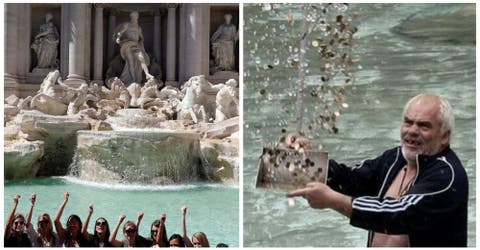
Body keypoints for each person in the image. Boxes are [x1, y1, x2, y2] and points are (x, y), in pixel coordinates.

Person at [287, 93, 468, 247]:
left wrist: (333, 200)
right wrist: (304, 158)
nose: (412, 130)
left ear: (445, 136)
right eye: (408, 122)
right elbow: (350, 180)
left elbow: (397, 215)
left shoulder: (448, 176)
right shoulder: (393, 159)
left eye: (423, 126)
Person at [113, 11, 153, 85]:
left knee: (141, 57)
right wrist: (118, 38)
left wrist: (141, 42)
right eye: (134, 16)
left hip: (135, 44)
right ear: (131, 16)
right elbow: (120, 33)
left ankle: (147, 74)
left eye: (136, 16)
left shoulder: (138, 27)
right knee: (130, 62)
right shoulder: (127, 25)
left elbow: (141, 37)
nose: (135, 17)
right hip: (127, 44)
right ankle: (134, 80)